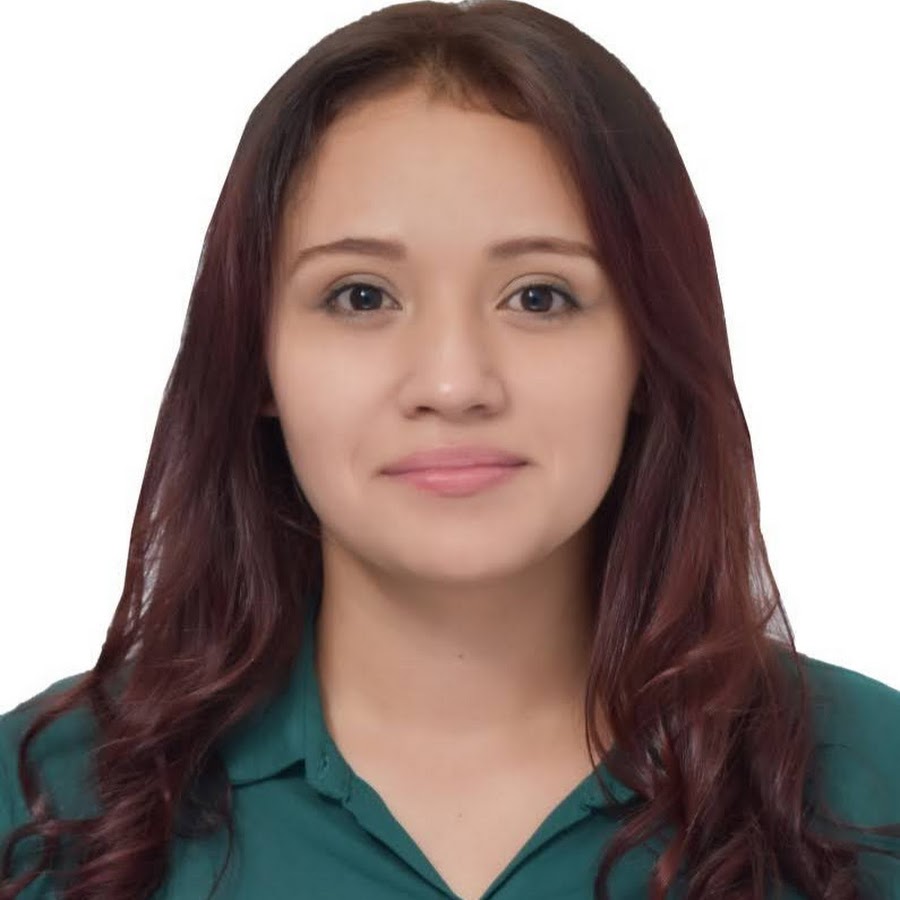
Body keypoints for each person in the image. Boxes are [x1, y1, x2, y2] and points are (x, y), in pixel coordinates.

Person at [2, 1, 899, 898]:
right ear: (255, 357)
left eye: (540, 297)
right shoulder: (43, 806)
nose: (454, 381)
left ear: (649, 350)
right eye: (360, 297)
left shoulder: (874, 781)